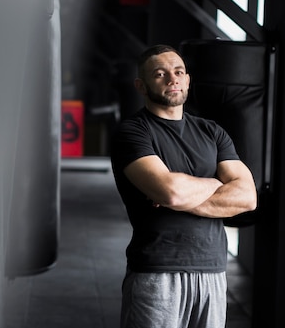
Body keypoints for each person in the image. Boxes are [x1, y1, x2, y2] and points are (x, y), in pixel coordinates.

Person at [110, 44, 257, 328]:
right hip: (157, 272)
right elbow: (171, 191)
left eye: (178, 72)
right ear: (141, 85)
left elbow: (248, 197)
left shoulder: (212, 132)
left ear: (187, 79)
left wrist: (177, 195)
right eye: (160, 73)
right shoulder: (133, 132)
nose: (172, 78)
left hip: (213, 271)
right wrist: (217, 184)